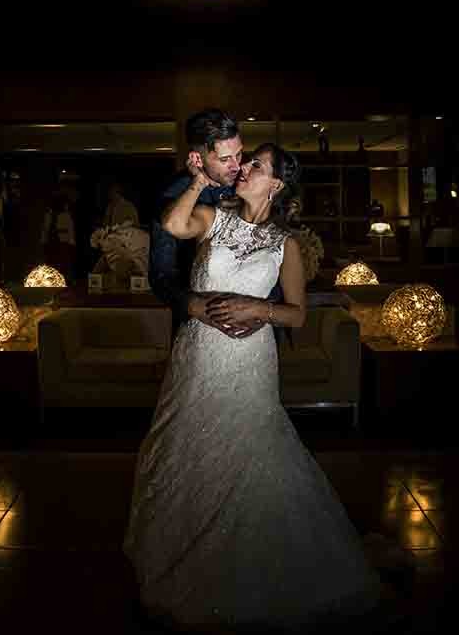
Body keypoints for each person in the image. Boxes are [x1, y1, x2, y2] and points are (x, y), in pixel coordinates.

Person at [124, 142, 393, 632]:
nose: (245, 169)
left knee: (251, 452)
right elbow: (171, 227)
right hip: (199, 357)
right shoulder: (212, 217)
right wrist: (202, 182)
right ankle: (187, 550)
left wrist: (257, 310)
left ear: (278, 184)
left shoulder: (286, 244)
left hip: (250, 361)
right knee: (191, 449)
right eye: (246, 162)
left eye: (257, 166)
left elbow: (297, 313)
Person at [149, 109, 280, 339]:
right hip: (197, 328)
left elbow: (275, 256)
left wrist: (264, 312)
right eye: (224, 159)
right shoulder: (171, 197)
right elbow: (160, 274)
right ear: (197, 159)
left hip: (257, 328)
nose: (237, 166)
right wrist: (194, 306)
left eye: (239, 155)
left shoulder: (250, 186)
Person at [40, 194, 76, 277]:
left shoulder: (65, 215)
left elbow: (70, 229)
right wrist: (43, 240)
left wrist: (71, 241)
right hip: (51, 241)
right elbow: (45, 229)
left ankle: (64, 278)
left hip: (62, 241)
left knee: (63, 262)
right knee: (52, 261)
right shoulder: (49, 215)